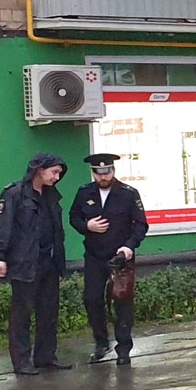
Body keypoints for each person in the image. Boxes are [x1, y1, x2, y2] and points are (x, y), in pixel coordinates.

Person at [0, 153, 71, 376]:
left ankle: (46, 356)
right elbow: (3, 227)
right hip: (24, 263)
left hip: (49, 262)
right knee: (22, 314)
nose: (57, 177)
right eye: (54, 172)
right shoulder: (15, 194)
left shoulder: (51, 195)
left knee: (48, 312)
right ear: (39, 170)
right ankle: (22, 361)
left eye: (59, 173)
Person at [69, 152, 148, 366]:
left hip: (120, 256)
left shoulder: (128, 193)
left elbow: (141, 225)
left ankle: (123, 349)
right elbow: (73, 217)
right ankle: (101, 342)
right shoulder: (84, 192)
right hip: (94, 256)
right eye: (99, 173)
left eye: (108, 172)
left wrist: (129, 247)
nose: (104, 177)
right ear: (93, 173)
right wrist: (86, 226)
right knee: (92, 299)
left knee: (122, 302)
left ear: (113, 171)